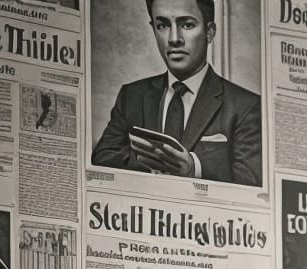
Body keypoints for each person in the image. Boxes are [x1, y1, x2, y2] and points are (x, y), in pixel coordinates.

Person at [91, 0, 263, 186]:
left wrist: (194, 168)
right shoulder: (131, 96)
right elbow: (102, 159)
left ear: (210, 32)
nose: (173, 38)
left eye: (187, 25)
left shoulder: (247, 106)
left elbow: (249, 183)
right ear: (153, 29)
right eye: (162, 25)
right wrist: (157, 165)